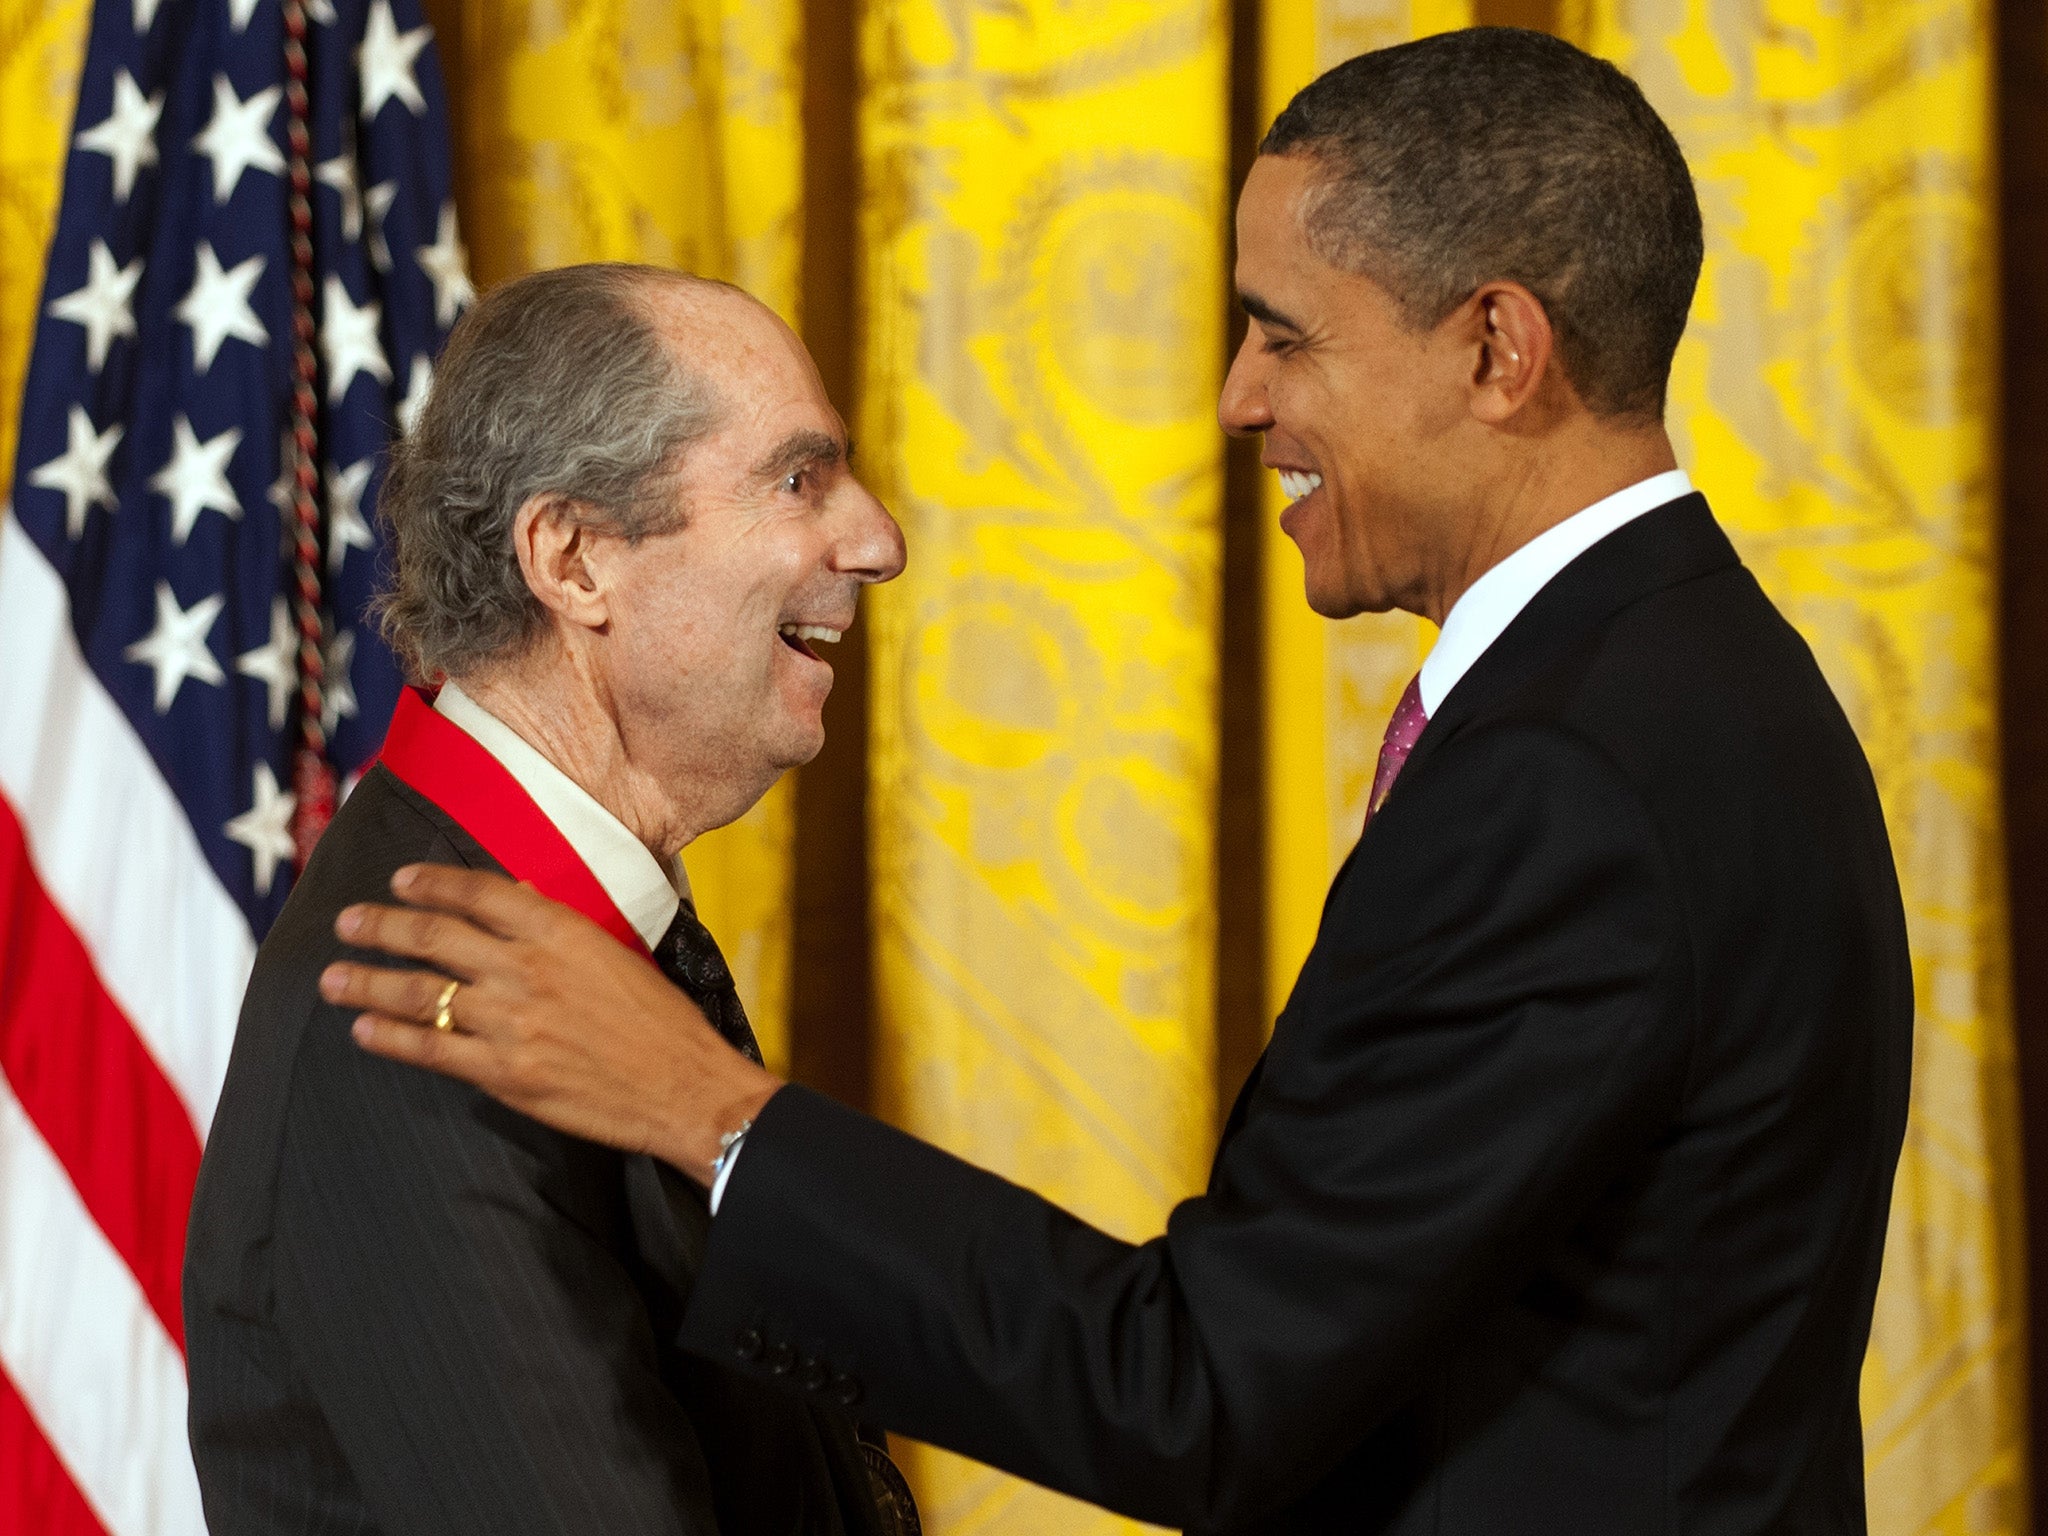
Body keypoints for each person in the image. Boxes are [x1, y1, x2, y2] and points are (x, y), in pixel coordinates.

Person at [321, 30, 1913, 1534]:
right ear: (569, 559)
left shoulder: (1575, 775)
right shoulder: (1696, 686)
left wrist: (715, 1115)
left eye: (1286, 333)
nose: (1237, 397)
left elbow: (1200, 1387)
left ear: (1496, 348)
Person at [182, 263, 920, 1535]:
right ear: (575, 561)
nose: (877, 541)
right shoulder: (417, 1014)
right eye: (799, 480)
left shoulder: (535, 922)